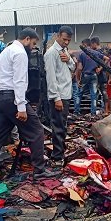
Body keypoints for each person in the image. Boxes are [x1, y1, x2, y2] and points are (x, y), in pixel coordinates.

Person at [0, 28, 59, 187]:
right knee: (36, 131)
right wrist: (21, 106)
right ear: (27, 39)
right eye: (33, 44)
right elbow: (19, 81)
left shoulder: (7, 50)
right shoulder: (20, 53)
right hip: (11, 97)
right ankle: (39, 171)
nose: (33, 48)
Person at [44, 26, 75, 167]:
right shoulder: (51, 53)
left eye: (68, 40)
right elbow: (50, 78)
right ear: (57, 36)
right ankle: (57, 157)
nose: (66, 42)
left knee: (62, 126)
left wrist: (69, 59)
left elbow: (73, 67)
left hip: (66, 94)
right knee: (58, 126)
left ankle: (59, 153)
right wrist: (56, 98)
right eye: (64, 39)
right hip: (59, 95)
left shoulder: (64, 51)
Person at [77, 38, 107, 116]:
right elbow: (107, 59)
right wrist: (100, 68)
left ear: (85, 45)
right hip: (94, 75)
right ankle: (93, 112)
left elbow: (79, 68)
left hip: (85, 75)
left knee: (79, 93)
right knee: (93, 95)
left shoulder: (81, 54)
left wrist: (78, 79)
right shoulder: (96, 53)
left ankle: (76, 111)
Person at [91, 37, 110, 114]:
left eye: (92, 45)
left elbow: (106, 60)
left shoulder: (96, 52)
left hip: (99, 75)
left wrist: (100, 68)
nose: (91, 46)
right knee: (104, 92)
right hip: (104, 74)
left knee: (99, 92)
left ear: (94, 43)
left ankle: (103, 110)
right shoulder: (104, 51)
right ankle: (106, 110)